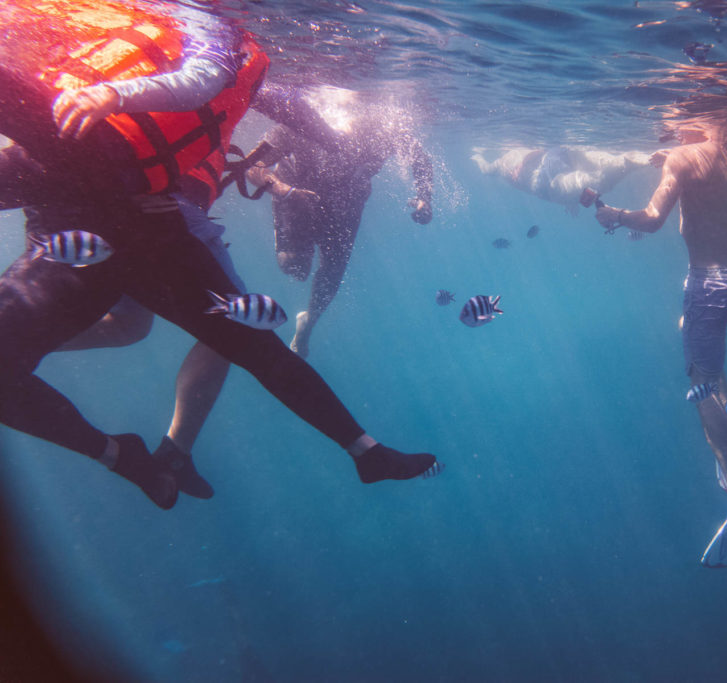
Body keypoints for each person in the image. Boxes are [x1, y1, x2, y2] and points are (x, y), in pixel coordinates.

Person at [0, 0, 443, 510]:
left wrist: (114, 92)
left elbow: (220, 81)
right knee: (248, 343)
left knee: (249, 342)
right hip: (124, 228)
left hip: (135, 228)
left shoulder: (172, 43)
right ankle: (124, 455)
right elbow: (262, 98)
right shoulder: (106, 70)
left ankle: (365, 452)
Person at [593, 120, 727, 568]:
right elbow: (717, 175)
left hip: (708, 287)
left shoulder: (683, 159)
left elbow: (650, 221)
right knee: (692, 327)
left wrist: (614, 216)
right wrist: (675, 161)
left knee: (700, 381)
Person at [245, 86, 434, 357]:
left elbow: (420, 160)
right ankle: (295, 259)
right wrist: (283, 191)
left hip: (347, 205)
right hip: (296, 198)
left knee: (333, 270)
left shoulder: (385, 130)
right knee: (294, 267)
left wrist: (424, 197)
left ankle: (308, 323)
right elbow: (253, 166)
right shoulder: (302, 119)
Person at [471, 146, 651, 214]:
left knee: (594, 181)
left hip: (545, 183)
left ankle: (627, 163)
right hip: (557, 155)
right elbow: (541, 150)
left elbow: (487, 170)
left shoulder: (501, 164)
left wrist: (478, 158)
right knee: (591, 159)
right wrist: (570, 202)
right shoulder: (516, 151)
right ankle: (633, 159)